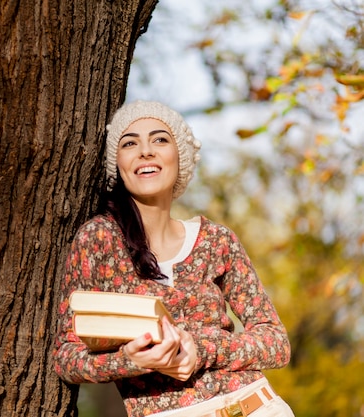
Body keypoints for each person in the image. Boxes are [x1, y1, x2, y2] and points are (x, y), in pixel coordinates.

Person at [53, 101, 294, 417]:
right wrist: (130, 361)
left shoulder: (216, 240)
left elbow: (276, 344)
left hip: (256, 406)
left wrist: (202, 349)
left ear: (179, 157)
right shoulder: (98, 240)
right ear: (118, 164)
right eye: (130, 143)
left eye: (160, 139)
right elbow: (67, 357)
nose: (145, 151)